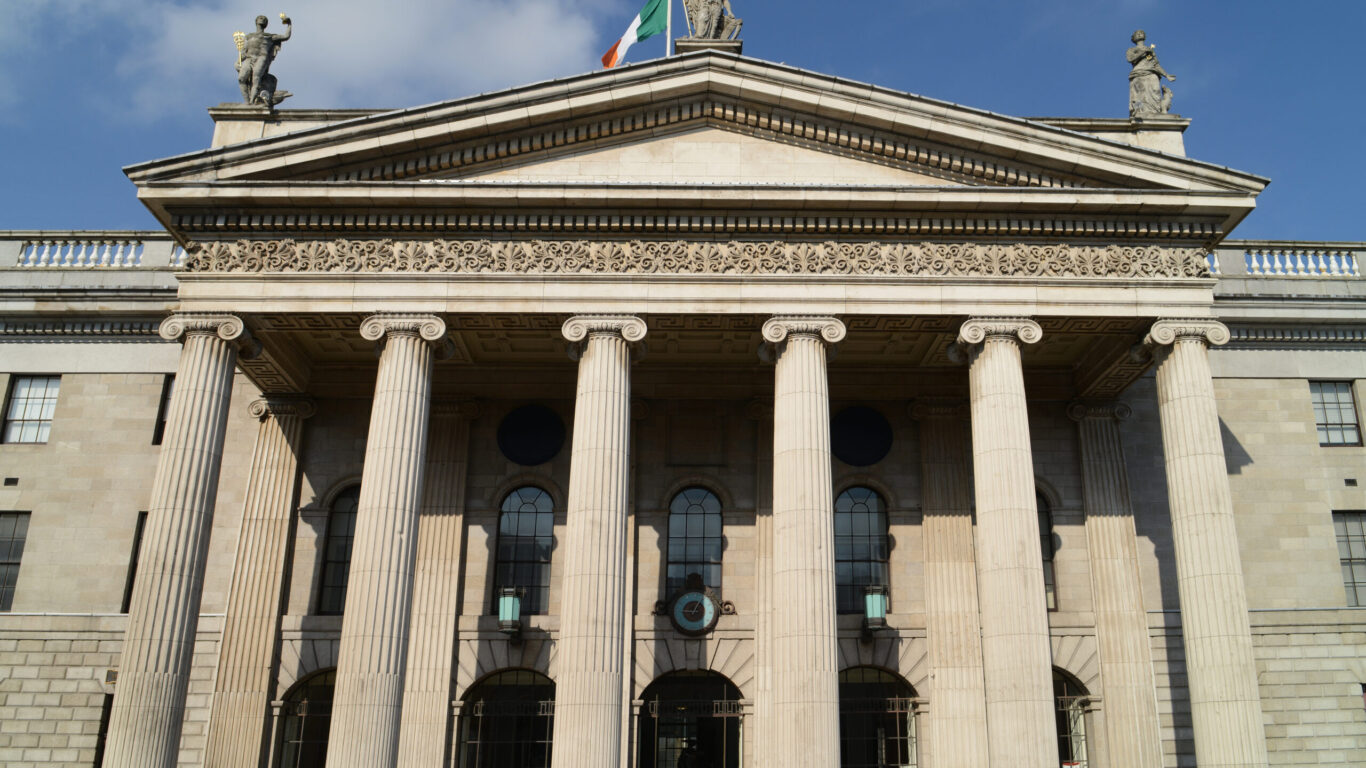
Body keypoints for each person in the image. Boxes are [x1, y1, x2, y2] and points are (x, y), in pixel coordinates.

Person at [237, 14, 292, 106]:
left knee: (256, 78)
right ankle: (247, 102)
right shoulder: (249, 37)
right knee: (241, 79)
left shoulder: (270, 37)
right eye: (260, 18)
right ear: (256, 21)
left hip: (262, 58)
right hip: (249, 58)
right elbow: (243, 53)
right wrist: (237, 62)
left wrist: (289, 24)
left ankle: (252, 102)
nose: (262, 19)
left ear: (266, 23)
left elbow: (286, 36)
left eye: (264, 19)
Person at [1126, 29, 1175, 117]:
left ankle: (1156, 112)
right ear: (1134, 38)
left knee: (1156, 91)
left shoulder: (1150, 51)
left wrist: (1166, 75)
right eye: (1137, 33)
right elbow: (1131, 59)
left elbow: (1154, 64)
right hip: (1138, 73)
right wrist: (1143, 52)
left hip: (1151, 73)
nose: (1140, 34)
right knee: (1140, 94)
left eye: (1142, 33)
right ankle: (1139, 111)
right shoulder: (1132, 50)